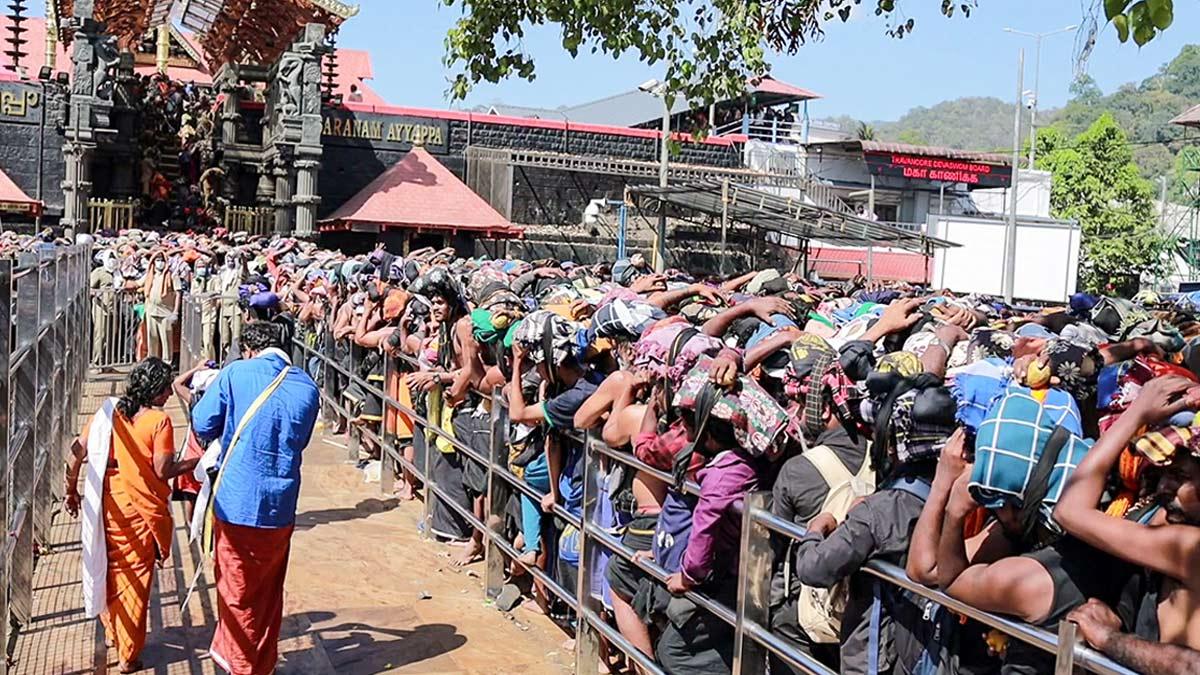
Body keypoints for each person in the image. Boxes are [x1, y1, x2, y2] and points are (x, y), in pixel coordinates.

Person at [190, 322, 321, 675]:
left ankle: (242, 664)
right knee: (267, 589)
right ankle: (260, 662)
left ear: (248, 349)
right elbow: (300, 440)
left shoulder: (236, 373)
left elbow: (202, 424)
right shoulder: (307, 385)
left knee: (236, 588)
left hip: (237, 501)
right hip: (280, 505)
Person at [64, 358, 199, 673]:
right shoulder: (158, 421)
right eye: (166, 388)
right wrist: (196, 462)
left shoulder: (106, 414)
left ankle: (114, 632)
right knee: (134, 579)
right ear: (154, 389)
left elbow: (77, 452)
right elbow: (163, 470)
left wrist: (71, 490)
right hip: (139, 511)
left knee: (106, 568)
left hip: (105, 502)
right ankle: (128, 655)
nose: (168, 395)